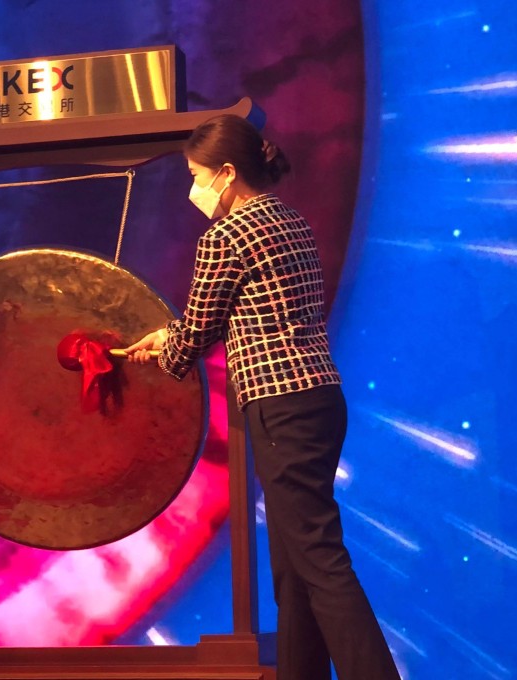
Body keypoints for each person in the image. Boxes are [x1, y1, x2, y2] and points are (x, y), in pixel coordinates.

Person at [126, 115, 399, 680]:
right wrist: (174, 338)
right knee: (294, 567)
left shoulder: (225, 236)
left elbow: (197, 333)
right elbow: (239, 315)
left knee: (319, 560)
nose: (194, 189)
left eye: (199, 175)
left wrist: (166, 348)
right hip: (321, 400)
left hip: (281, 406)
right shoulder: (289, 220)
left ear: (227, 173)